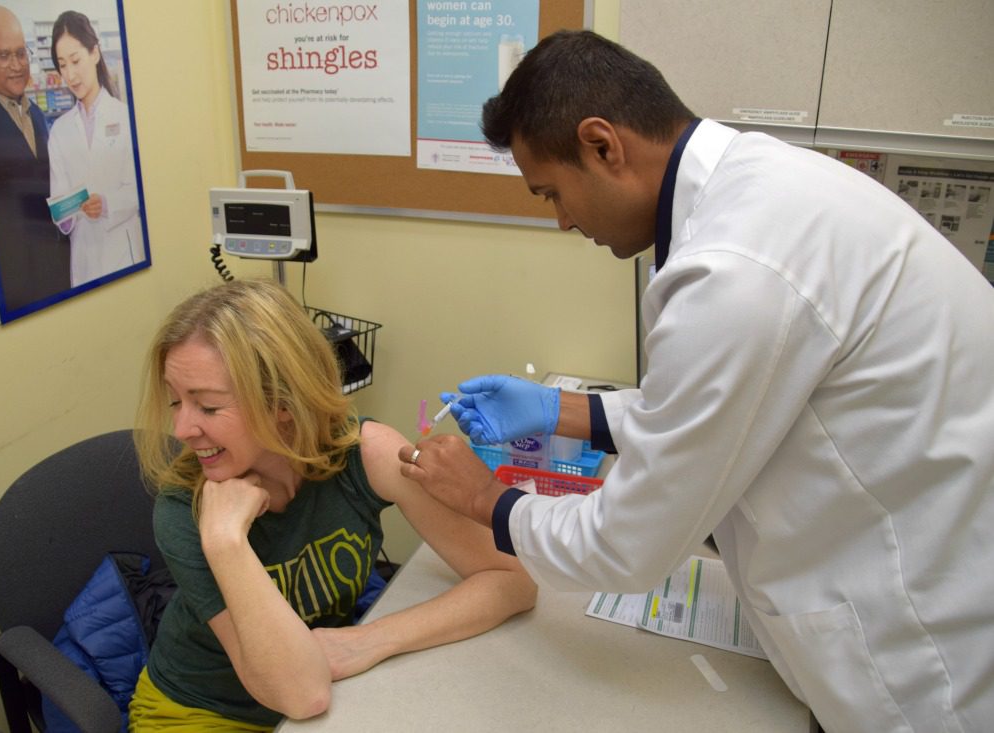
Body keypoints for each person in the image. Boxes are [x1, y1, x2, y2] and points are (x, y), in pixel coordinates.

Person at [399, 30, 994, 733]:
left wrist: (484, 498)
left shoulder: (737, 268)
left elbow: (626, 545)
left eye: (552, 192)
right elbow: (720, 405)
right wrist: (560, 409)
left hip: (918, 663)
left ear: (602, 145)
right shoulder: (764, 185)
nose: (561, 220)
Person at [129, 278, 536, 731]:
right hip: (198, 711)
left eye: (206, 407)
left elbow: (511, 580)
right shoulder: (184, 510)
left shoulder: (364, 453)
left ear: (282, 402)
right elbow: (301, 694)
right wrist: (225, 542)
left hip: (327, 701)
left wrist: (370, 639)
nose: (183, 429)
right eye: (175, 401)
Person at [0, 5, 70, 313]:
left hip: (51, 265)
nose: (16, 65)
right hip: (14, 282)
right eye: (3, 55)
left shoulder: (34, 112)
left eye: (20, 53)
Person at [48, 10, 144, 288]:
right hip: (84, 255)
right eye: (62, 65)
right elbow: (60, 198)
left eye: (76, 60)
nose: (70, 74)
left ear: (95, 53)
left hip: (122, 247)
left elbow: (140, 188)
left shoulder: (125, 117)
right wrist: (63, 217)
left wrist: (106, 203)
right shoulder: (60, 131)